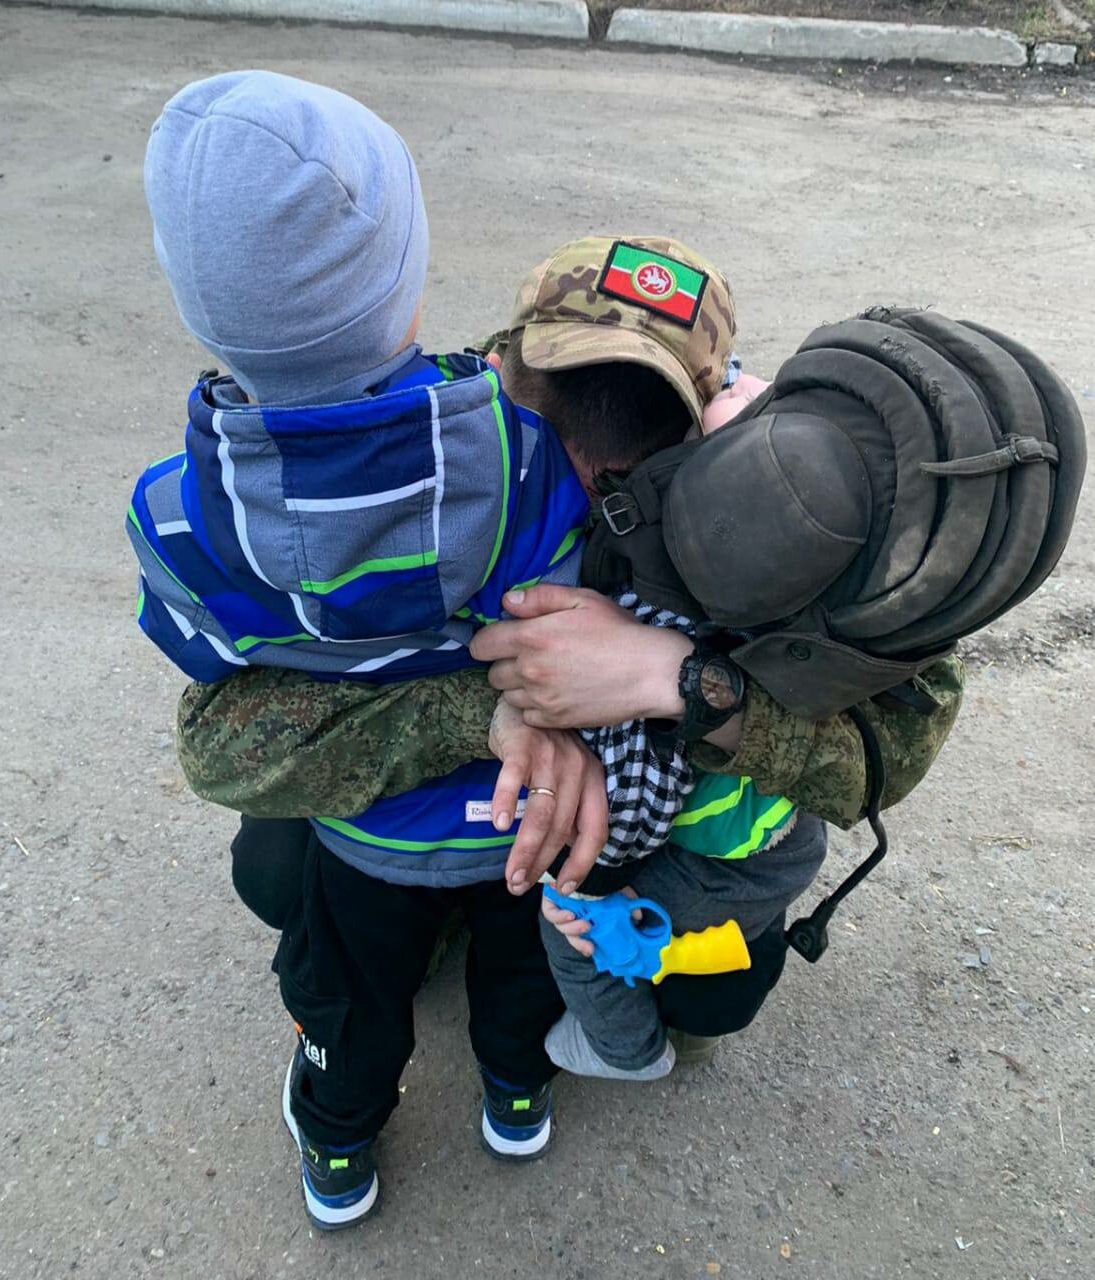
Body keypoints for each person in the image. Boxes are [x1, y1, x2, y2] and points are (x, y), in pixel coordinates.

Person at [128, 71, 751, 1229]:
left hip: (372, 837)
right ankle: (516, 1091)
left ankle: (339, 1141)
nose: (596, 456)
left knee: (354, 993)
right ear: (417, 290)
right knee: (520, 963)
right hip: (527, 827)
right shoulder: (526, 469)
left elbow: (210, 672)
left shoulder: (175, 515)